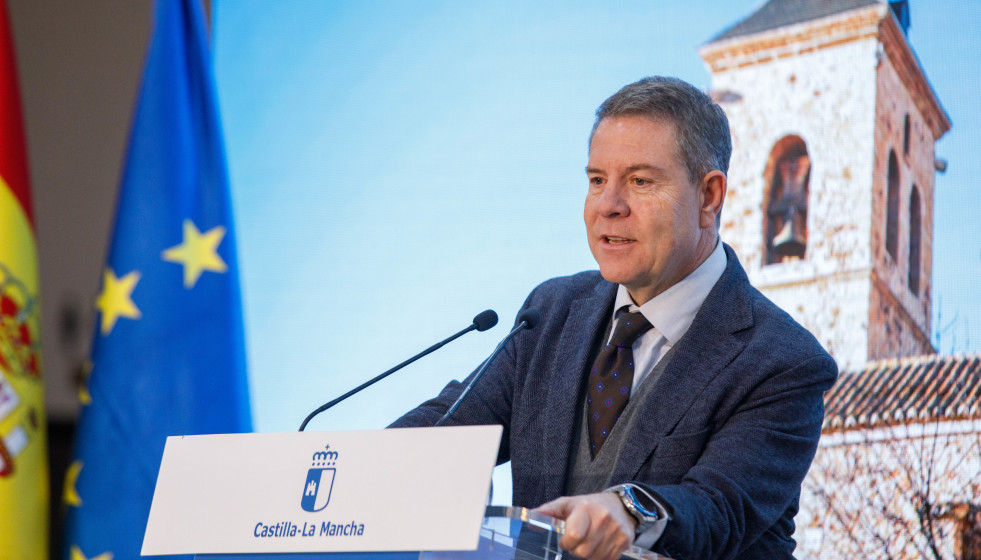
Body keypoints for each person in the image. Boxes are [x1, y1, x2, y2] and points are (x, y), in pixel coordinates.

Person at [390, 76, 837, 560]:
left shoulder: (785, 363)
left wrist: (629, 511)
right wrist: (347, 470)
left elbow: (717, 507)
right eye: (597, 180)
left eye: (640, 181)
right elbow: (452, 427)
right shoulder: (551, 311)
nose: (608, 206)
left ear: (709, 197)